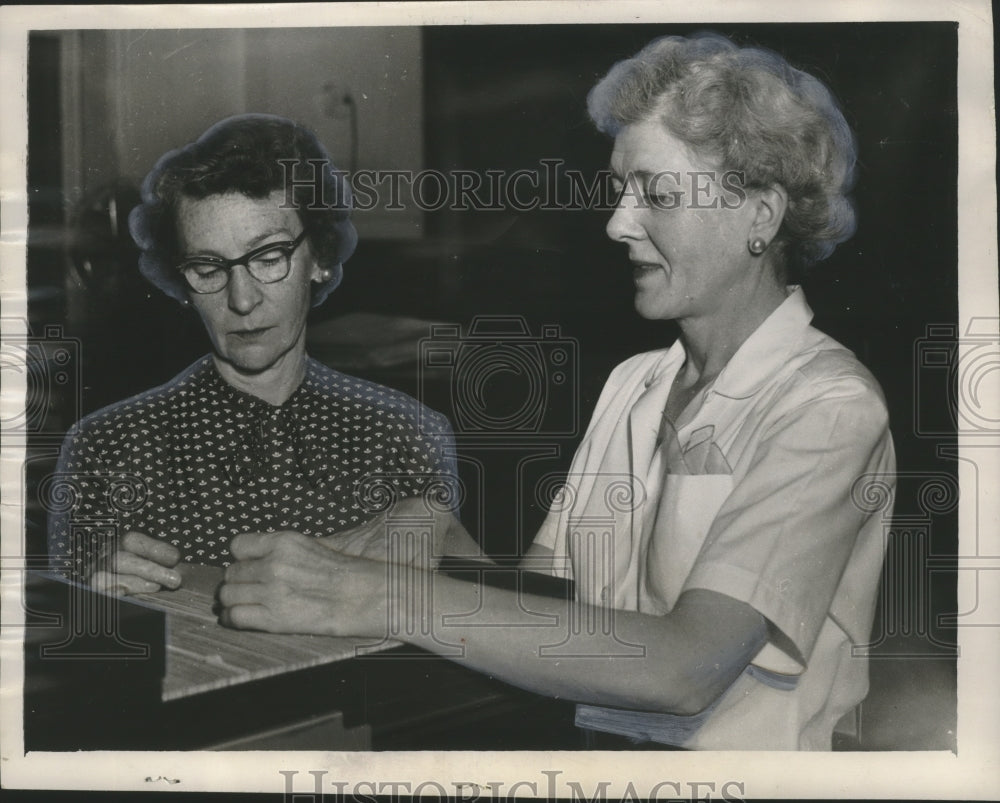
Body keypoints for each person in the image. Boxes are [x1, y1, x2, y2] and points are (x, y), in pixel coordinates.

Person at [215, 33, 896, 751]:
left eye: (656, 196)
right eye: (620, 192)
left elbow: (684, 666)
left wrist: (383, 596)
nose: (617, 224)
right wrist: (442, 536)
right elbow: (547, 612)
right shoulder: (636, 384)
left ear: (760, 215)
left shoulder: (828, 408)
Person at [48, 114, 459, 592]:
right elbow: (67, 646)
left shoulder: (409, 436)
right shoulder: (104, 447)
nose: (242, 300)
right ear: (181, 281)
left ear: (320, 257)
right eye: (207, 267)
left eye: (268, 258)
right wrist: (94, 603)